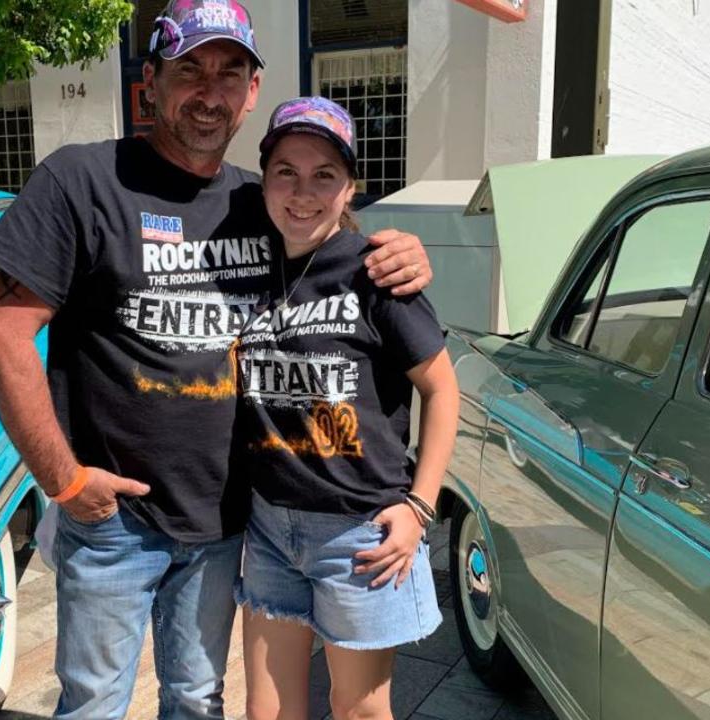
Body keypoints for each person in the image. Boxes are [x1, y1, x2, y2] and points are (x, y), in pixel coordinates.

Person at [0, 1, 433, 718]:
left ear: (253, 92)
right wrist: (61, 481)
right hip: (111, 517)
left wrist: (400, 249)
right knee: (94, 702)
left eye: (230, 72)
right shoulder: (83, 181)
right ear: (148, 81)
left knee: (197, 698)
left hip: (224, 518)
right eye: (190, 69)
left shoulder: (262, 199)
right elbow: (2, 334)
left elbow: (335, 249)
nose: (209, 92)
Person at [233, 97, 459, 720]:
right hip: (271, 526)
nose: (302, 192)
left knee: (359, 711)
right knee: (269, 712)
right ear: (264, 179)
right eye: (286, 171)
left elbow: (443, 390)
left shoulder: (375, 272)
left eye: (324, 175)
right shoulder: (248, 264)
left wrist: (421, 505)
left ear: (349, 187)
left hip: (359, 534)